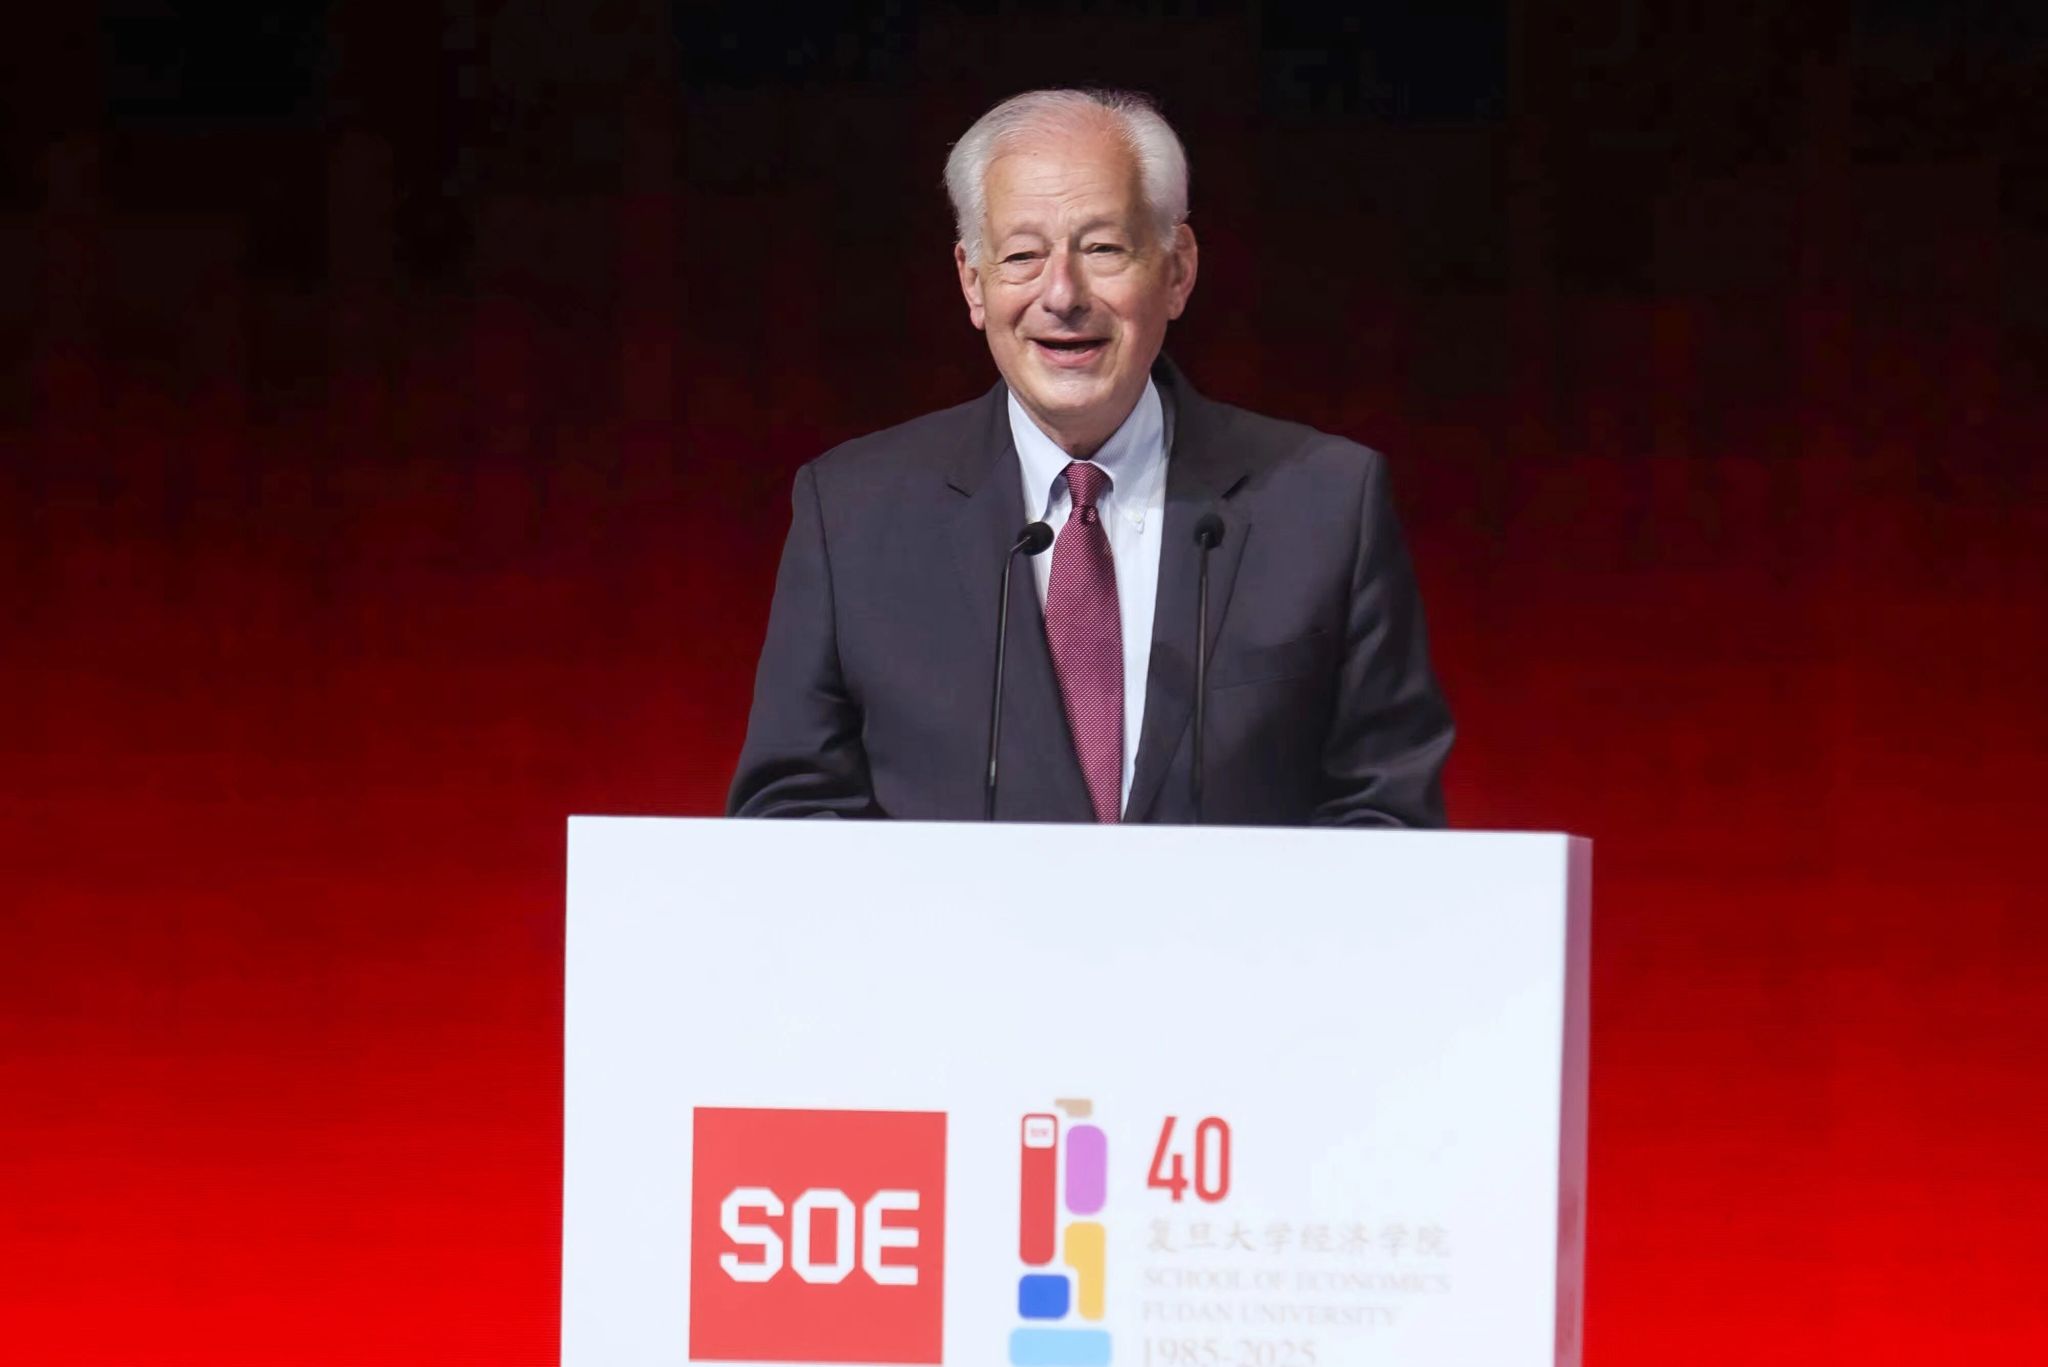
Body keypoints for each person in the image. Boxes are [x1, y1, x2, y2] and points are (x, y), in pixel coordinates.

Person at [727, 88, 1453, 825]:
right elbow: (792, 811)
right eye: (1022, 256)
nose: (1063, 294)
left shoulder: (1325, 503)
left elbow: (1386, 812)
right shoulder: (852, 514)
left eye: (1103, 248)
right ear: (973, 282)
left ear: (1177, 270)